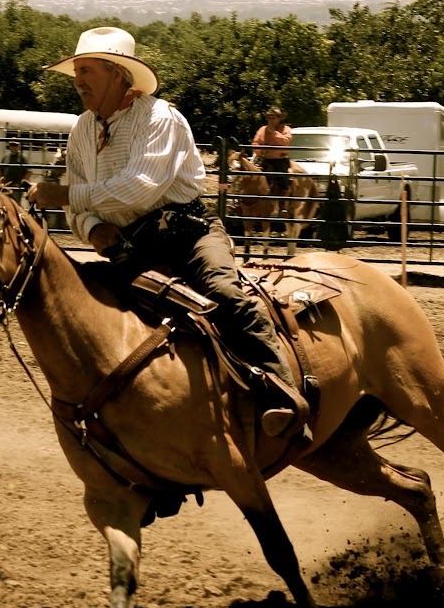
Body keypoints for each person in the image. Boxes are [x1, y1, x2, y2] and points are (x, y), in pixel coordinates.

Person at [25, 26, 309, 436]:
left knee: (224, 292)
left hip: (188, 235)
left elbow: (140, 187)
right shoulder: (81, 130)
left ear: (116, 74)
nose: (78, 81)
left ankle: (284, 397)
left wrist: (66, 195)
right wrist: (92, 226)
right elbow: (81, 210)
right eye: (76, 72)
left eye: (86, 71)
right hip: (128, 248)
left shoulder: (160, 118)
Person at [250, 106, 293, 212]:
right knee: (252, 177)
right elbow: (255, 143)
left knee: (282, 179)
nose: (271, 120)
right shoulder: (262, 130)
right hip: (265, 159)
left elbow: (286, 142)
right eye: (269, 118)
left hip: (280, 160)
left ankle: (282, 205)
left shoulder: (286, 129)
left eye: (273, 118)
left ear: (279, 118)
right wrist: (261, 151)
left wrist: (274, 133)